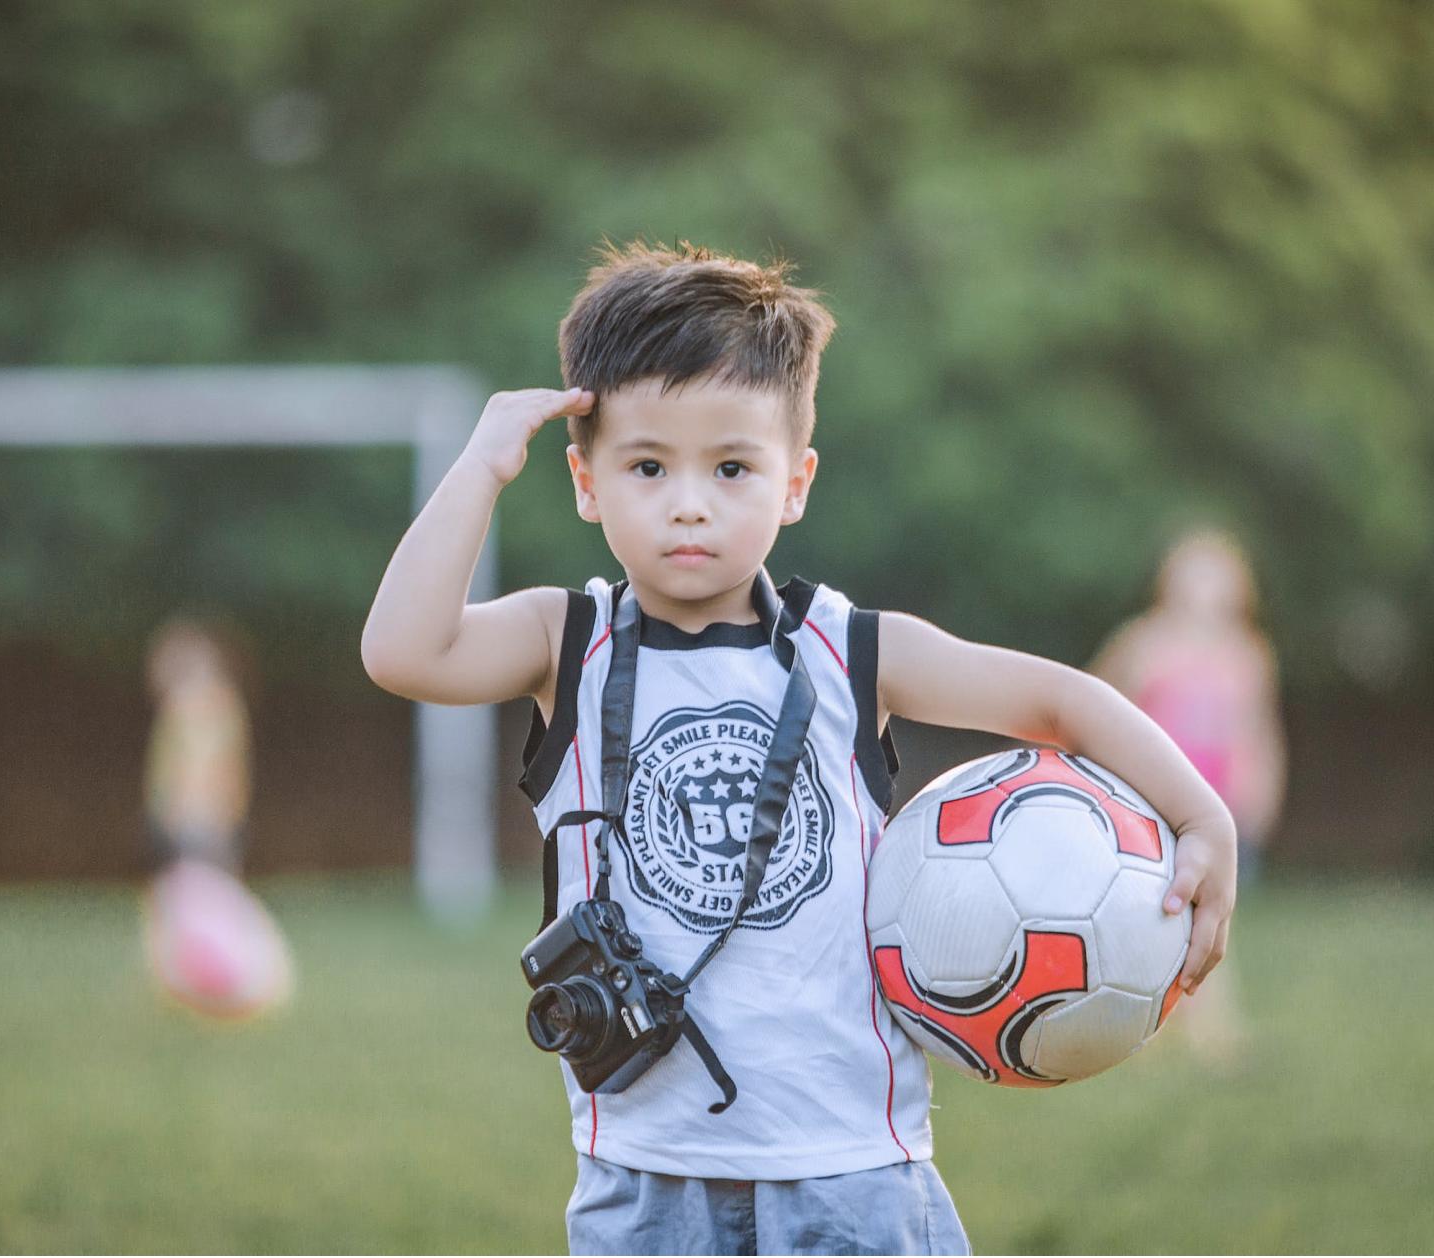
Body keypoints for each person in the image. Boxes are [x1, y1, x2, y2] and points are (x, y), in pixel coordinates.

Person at [361, 240, 1237, 1255]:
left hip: (851, 1171)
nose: (690, 501)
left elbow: (1058, 696)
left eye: (732, 467)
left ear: (796, 483)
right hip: (645, 1173)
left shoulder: (851, 649)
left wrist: (1197, 813)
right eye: (648, 465)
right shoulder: (568, 642)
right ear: (585, 481)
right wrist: (481, 467)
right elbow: (401, 650)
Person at [1090, 528, 1285, 1065]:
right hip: (1149, 801)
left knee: (1213, 921)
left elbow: (1258, 731)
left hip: (1216, 809)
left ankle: (1205, 1025)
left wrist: (1261, 787)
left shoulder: (1247, 655)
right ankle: (1144, 1026)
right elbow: (1095, 702)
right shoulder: (1145, 644)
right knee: (1149, 913)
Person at [141, 618, 293, 1020]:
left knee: (196, 896)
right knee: (191, 895)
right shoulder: (207, 706)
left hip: (199, 818)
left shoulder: (203, 706)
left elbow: (209, 769)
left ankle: (206, 978)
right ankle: (194, 978)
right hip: (200, 818)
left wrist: (191, 811)